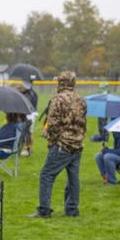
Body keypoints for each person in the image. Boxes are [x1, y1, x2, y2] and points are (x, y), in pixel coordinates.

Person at [29, 71, 87, 219]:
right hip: (78, 144)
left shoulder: (58, 99)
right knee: (73, 178)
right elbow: (83, 123)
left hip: (62, 144)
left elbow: (53, 124)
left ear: (60, 83)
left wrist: (53, 141)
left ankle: (44, 210)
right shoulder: (81, 99)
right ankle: (72, 210)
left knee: (47, 175)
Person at [19, 80, 39, 156]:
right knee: (27, 133)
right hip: (29, 114)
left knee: (28, 133)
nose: (20, 87)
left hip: (29, 115)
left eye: (22, 86)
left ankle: (28, 149)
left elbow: (26, 105)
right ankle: (26, 148)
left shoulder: (30, 94)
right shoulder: (30, 92)